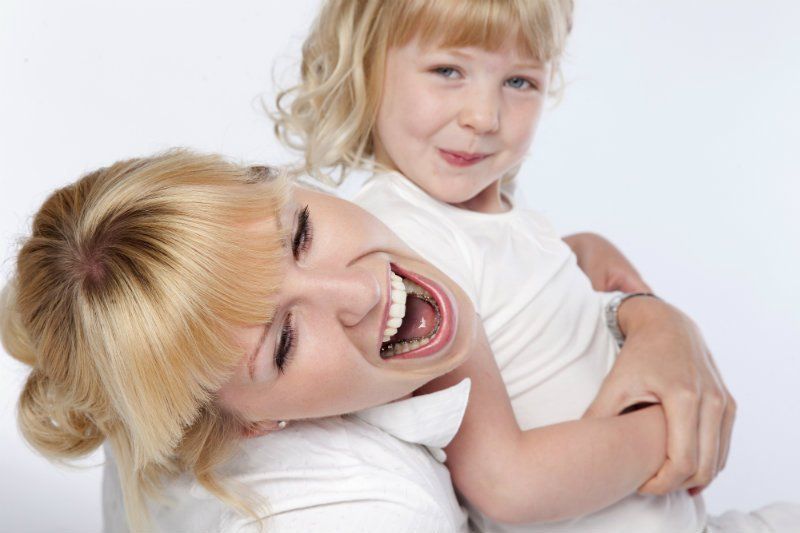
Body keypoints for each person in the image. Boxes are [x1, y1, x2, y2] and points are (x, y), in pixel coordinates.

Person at [272, 0, 797, 531]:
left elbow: (511, 283)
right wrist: (676, 424)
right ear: (364, 66)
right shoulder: (406, 242)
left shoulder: (483, 216)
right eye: (448, 71)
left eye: (519, 82)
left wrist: (591, 254)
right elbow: (507, 485)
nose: (484, 116)